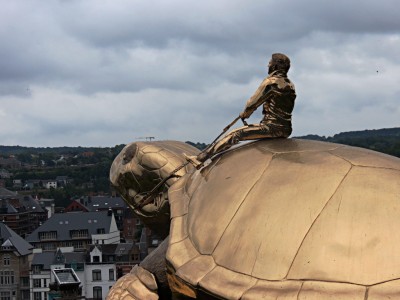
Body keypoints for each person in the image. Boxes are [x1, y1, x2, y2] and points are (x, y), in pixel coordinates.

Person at [186, 53, 296, 168]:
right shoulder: (290, 85)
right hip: (287, 129)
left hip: (271, 127)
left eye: (270, 63)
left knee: (235, 134)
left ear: (275, 66)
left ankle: (201, 158)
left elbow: (252, 103)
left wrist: (245, 114)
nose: (268, 65)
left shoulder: (271, 82)